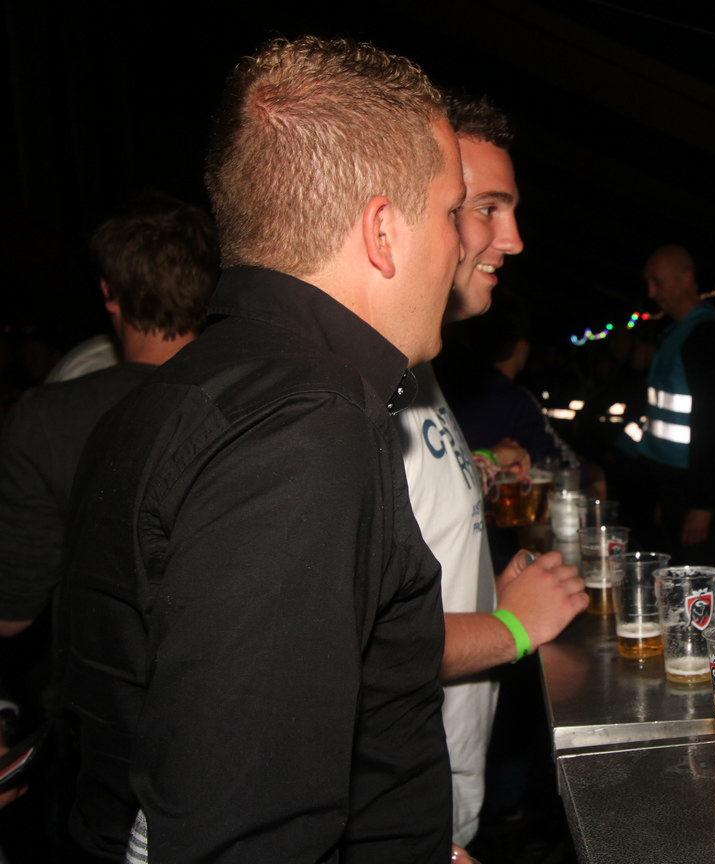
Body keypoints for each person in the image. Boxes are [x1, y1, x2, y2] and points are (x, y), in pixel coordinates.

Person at [60, 37, 462, 862]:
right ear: (383, 231)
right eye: (453, 213)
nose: (463, 246)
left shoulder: (180, 394)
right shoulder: (304, 428)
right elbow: (242, 833)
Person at [397, 94, 586, 849]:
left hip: (437, 798)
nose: (512, 240)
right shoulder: (350, 391)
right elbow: (349, 650)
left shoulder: (416, 368)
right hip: (402, 814)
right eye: (486, 208)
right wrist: (510, 627)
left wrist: (476, 471)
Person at [0, 192, 218, 639]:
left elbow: (11, 613)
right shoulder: (266, 397)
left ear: (108, 292)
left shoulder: (47, 420)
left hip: (104, 676)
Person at [622, 245, 715, 615]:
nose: (651, 292)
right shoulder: (677, 334)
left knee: (708, 593)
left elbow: (714, 424)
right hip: (680, 488)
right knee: (685, 589)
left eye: (657, 281)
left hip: (707, 492)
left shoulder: (708, 335)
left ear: (685, 279)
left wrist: (702, 504)